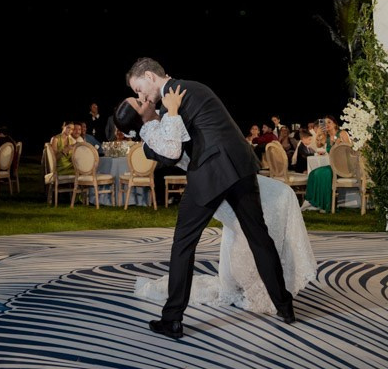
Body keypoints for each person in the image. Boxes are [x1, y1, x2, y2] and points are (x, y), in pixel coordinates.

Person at [124, 58, 295, 339]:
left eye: (139, 88)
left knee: (183, 244)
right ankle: (285, 307)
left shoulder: (171, 98)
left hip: (211, 173)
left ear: (150, 76)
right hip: (240, 166)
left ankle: (172, 319)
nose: (141, 95)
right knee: (259, 237)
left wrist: (155, 122)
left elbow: (173, 153)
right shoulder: (191, 87)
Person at [115, 96, 316, 316]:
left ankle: (277, 299)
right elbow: (174, 152)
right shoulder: (151, 143)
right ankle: (264, 296)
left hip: (229, 173)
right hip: (209, 185)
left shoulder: (167, 116)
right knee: (195, 243)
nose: (143, 98)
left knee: (260, 228)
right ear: (139, 118)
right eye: (139, 102)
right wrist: (172, 110)